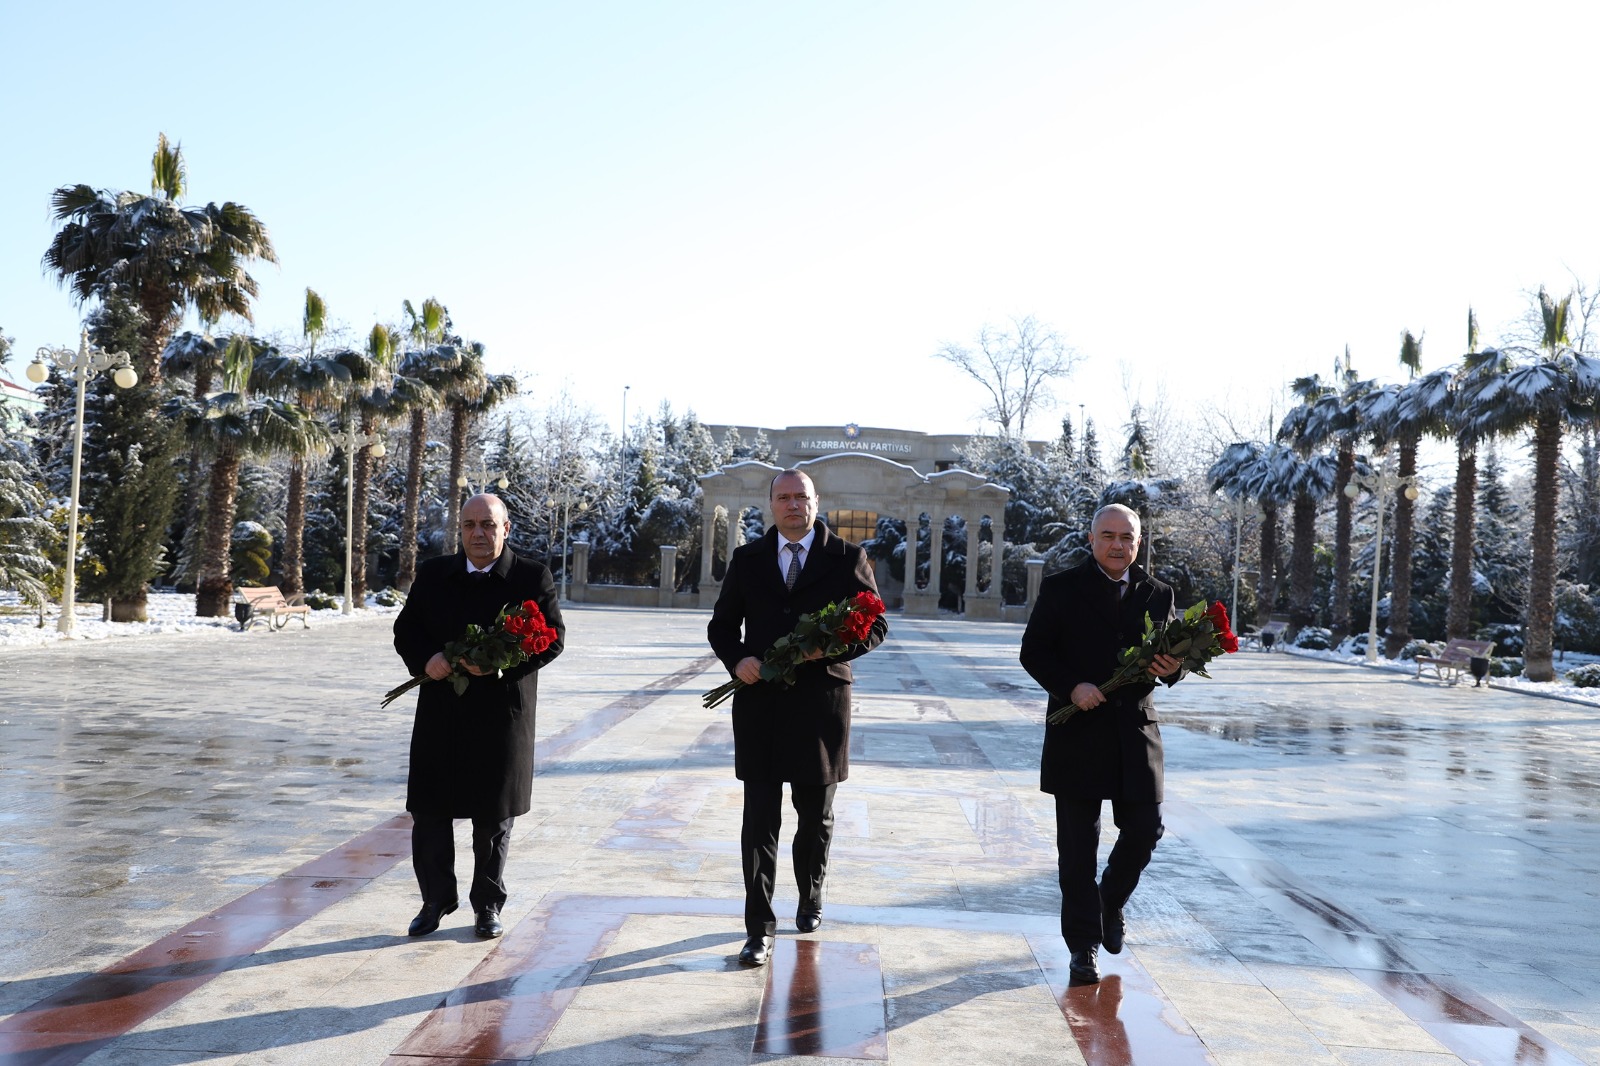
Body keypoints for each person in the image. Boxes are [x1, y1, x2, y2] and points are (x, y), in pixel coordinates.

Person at [707, 469, 887, 966]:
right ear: (771, 504)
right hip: (760, 705)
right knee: (759, 821)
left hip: (820, 707)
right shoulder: (747, 559)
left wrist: (827, 649)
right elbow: (721, 627)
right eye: (783, 497)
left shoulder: (847, 557)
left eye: (800, 497)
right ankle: (758, 927)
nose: (792, 505)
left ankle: (810, 895)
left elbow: (875, 625)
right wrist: (738, 660)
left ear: (815, 501)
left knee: (815, 818)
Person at [1019, 503, 1182, 984]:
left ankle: (1109, 901)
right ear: (1091, 540)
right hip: (1078, 732)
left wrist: (1173, 668)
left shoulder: (1159, 593)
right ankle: (1082, 947)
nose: (1117, 545)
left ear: (1139, 543)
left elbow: (1172, 659)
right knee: (1077, 849)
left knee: (1145, 830)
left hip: (1136, 732)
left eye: (1127, 537)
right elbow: (1034, 651)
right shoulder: (1061, 588)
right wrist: (1071, 687)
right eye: (1108, 536)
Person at [392, 493, 565, 939]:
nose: (478, 533)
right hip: (441, 711)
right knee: (430, 810)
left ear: (505, 528)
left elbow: (552, 638)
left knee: (493, 817)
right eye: (469, 525)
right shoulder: (435, 573)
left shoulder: (531, 576)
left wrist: (500, 666)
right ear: (460, 529)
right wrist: (427, 658)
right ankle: (435, 900)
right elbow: (406, 629)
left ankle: (487, 904)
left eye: (488, 524)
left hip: (501, 715)